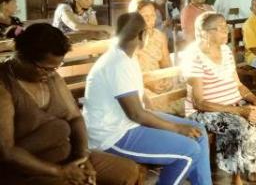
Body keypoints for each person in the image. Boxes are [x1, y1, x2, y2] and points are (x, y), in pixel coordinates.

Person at [0, 23, 140, 185]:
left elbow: (74, 117)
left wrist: (82, 157)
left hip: (64, 155)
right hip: (26, 169)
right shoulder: (4, 86)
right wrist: (60, 172)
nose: (52, 73)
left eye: (57, 67)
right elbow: (7, 151)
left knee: (127, 171)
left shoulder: (51, 76)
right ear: (22, 57)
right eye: (45, 68)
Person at [82, 12, 212, 185]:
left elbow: (138, 103)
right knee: (190, 151)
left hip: (130, 123)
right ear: (142, 35)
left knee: (198, 130)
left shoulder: (127, 55)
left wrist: (172, 124)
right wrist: (177, 128)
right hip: (113, 135)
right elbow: (136, 114)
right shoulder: (117, 63)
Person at [184, 12, 256, 185]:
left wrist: (255, 100)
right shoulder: (194, 56)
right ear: (206, 33)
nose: (227, 31)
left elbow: (238, 85)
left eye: (227, 27)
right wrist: (239, 111)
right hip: (203, 112)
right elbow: (199, 102)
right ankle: (236, 179)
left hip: (233, 104)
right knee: (239, 124)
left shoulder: (225, 51)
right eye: (221, 28)